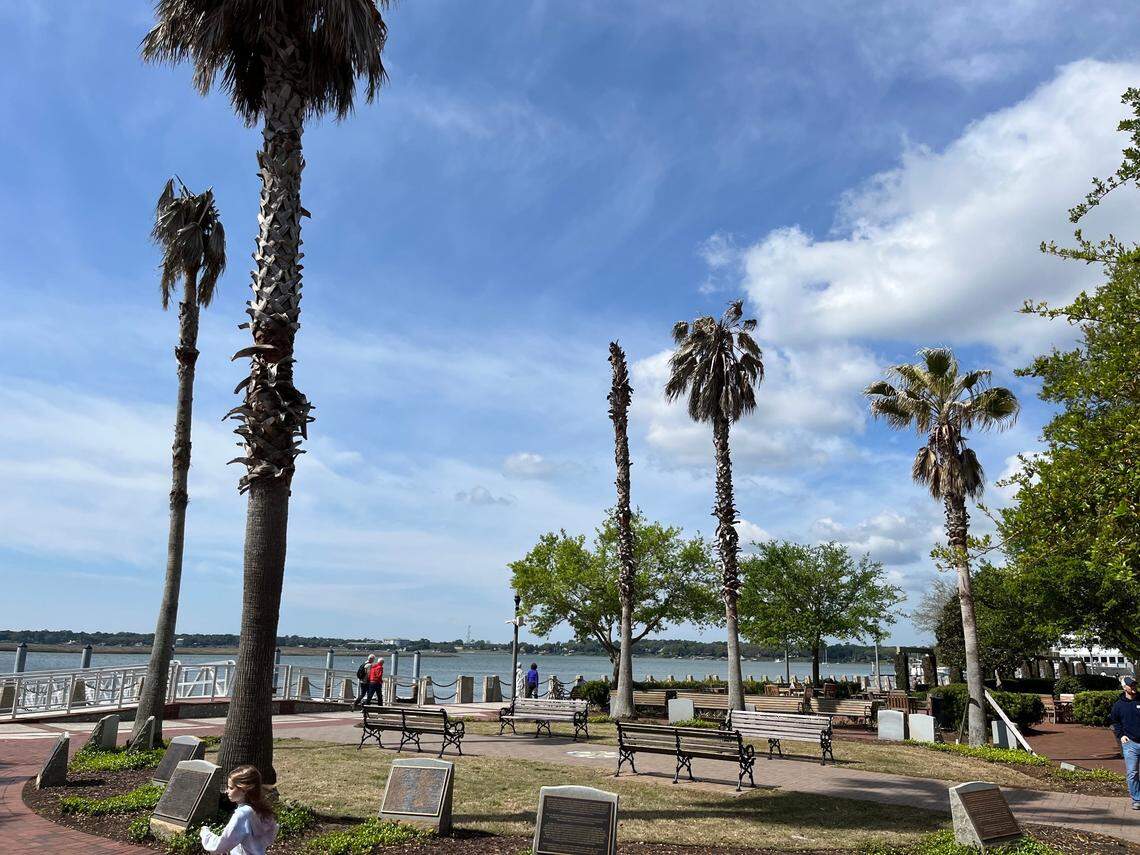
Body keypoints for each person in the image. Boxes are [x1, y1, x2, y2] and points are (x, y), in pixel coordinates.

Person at [199, 765, 278, 855]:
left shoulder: (242, 814)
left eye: (231, 788)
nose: (227, 791)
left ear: (244, 790)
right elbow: (269, 837)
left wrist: (205, 833)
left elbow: (220, 846)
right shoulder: (259, 809)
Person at [1111, 676, 1140, 809]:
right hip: (1130, 744)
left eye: (1134, 685)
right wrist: (1121, 735)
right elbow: (1115, 722)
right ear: (1124, 688)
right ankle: (1137, 799)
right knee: (1132, 772)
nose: (1133, 687)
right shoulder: (1118, 705)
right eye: (1130, 685)